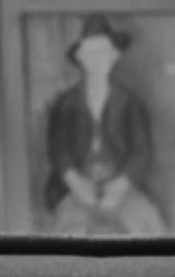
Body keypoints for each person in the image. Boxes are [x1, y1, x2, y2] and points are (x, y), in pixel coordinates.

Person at [42, 14, 167, 235]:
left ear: (114, 56)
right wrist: (78, 185)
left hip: (122, 186)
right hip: (77, 188)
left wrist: (120, 186)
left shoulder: (130, 102)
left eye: (102, 53)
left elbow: (142, 152)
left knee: (150, 229)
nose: (96, 60)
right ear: (80, 58)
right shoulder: (65, 104)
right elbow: (58, 152)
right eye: (90, 54)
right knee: (65, 234)